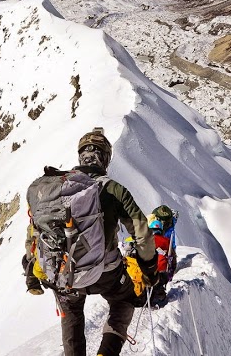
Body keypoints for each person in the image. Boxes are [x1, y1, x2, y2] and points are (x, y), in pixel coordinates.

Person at [24, 129, 158, 356]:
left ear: (80, 156)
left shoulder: (58, 188)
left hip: (65, 273)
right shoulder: (113, 189)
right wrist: (149, 268)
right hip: (107, 273)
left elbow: (34, 233)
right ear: (105, 158)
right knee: (124, 301)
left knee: (71, 315)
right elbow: (141, 232)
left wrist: (31, 270)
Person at [147, 205, 178, 308]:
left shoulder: (146, 240)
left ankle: (145, 296)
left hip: (147, 268)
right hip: (162, 269)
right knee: (159, 283)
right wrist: (171, 273)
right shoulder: (166, 241)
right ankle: (159, 298)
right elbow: (172, 257)